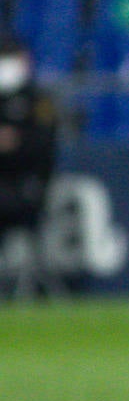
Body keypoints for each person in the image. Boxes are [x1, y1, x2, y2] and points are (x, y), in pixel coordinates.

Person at [0, 37, 59, 299]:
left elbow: (46, 142)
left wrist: (17, 141)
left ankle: (36, 285)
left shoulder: (38, 100)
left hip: (26, 187)